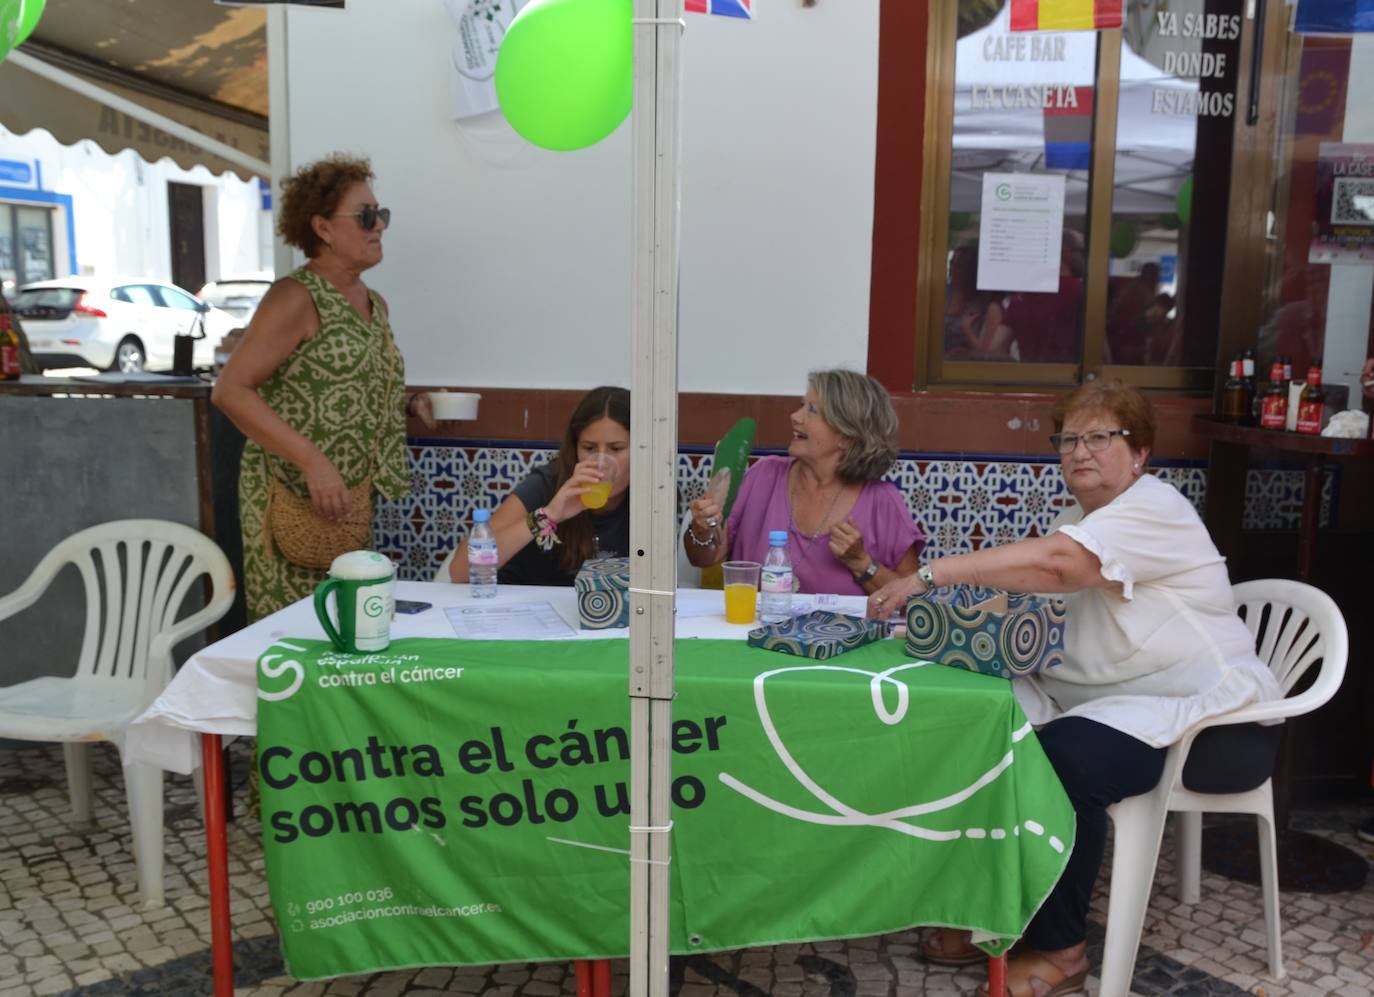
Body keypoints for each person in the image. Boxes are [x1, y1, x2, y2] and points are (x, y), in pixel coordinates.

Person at [867, 379, 1283, 997]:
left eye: (1099, 437)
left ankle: (1062, 951)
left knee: (1060, 762)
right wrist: (951, 632)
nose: (1080, 452)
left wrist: (929, 576)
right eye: (1069, 439)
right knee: (992, 733)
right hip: (1124, 706)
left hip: (1214, 725)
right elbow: (1029, 602)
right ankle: (997, 919)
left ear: (1139, 452)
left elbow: (1058, 566)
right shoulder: (1076, 520)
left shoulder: (1156, 507)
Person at [213, 153, 435, 621]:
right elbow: (231, 390)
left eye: (381, 215)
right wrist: (313, 463)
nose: (379, 226)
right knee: (297, 634)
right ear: (323, 228)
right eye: (366, 216)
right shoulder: (295, 297)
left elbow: (343, 390)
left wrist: (411, 405)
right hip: (294, 497)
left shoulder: (375, 303)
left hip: (348, 505)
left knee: (350, 627)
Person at [685, 369, 924, 595]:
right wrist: (701, 530)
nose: (794, 417)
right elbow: (704, 558)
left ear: (847, 436)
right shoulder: (763, 476)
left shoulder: (881, 502)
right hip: (755, 633)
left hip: (840, 638)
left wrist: (861, 562)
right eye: (801, 405)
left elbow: (914, 600)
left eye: (812, 410)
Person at [448, 386, 630, 586]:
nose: (601, 463)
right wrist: (549, 515)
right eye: (589, 448)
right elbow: (460, 571)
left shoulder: (658, 494)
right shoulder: (548, 483)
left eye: (616, 449)